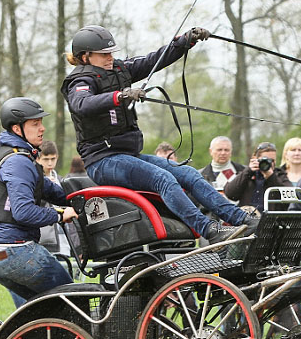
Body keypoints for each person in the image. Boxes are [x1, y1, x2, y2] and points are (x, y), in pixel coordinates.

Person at [60, 25, 254, 244]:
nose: (110, 58)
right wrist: (120, 95)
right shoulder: (79, 82)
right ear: (85, 56)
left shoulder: (119, 70)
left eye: (111, 53)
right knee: (163, 178)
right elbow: (81, 104)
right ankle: (209, 230)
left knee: (189, 174)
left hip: (128, 156)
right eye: (104, 54)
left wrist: (185, 41)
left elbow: (154, 60)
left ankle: (242, 220)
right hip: (103, 162)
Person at [0, 98, 78, 306]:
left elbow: (53, 191)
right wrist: (59, 214)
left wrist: (80, 197)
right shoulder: (18, 161)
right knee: (73, 298)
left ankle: (40, 336)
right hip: (14, 250)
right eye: (35, 124)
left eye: (41, 122)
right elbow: (24, 212)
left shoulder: (18, 157)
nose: (42, 128)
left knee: (39, 309)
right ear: (17, 128)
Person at [224, 142, 290, 213]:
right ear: (255, 159)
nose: (269, 163)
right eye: (265, 160)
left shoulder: (280, 175)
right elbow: (230, 193)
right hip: (247, 220)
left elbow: (288, 200)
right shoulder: (246, 174)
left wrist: (271, 177)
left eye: (272, 160)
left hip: (270, 221)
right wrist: (248, 171)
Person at [36, 140, 71, 256]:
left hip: (64, 241)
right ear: (38, 159)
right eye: (46, 159)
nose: (50, 163)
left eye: (53, 159)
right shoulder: (33, 182)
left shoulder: (62, 181)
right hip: (42, 241)